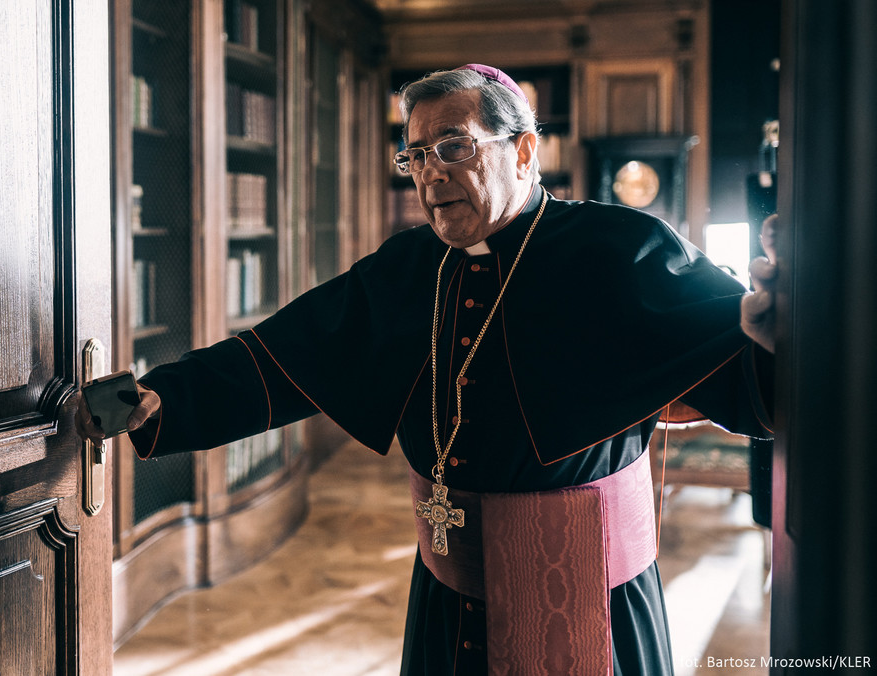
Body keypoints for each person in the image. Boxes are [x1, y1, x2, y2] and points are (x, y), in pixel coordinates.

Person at [78, 65, 779, 675]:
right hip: (449, 595)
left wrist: (795, 331)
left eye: (454, 146)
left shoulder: (622, 250)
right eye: (415, 155)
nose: (432, 171)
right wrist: (160, 398)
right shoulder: (410, 267)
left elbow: (749, 357)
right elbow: (287, 354)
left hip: (585, 599)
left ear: (525, 149)